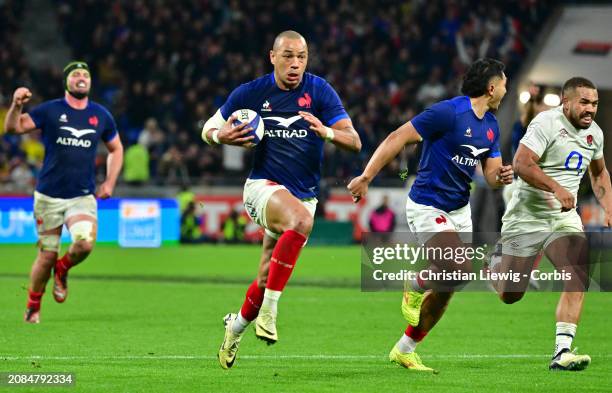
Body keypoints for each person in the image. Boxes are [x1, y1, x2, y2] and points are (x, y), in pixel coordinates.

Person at [202, 30, 361, 369]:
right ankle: (271, 312)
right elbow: (207, 129)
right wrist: (222, 136)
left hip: (303, 194)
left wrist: (327, 132)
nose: (295, 64)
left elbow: (355, 141)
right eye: (288, 55)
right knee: (302, 222)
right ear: (272, 56)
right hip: (262, 187)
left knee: (264, 277)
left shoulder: (319, 91)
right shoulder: (252, 92)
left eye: (301, 57)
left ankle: (235, 328)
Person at [348, 58, 513, 371]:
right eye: (504, 82)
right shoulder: (448, 112)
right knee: (460, 268)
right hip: (428, 205)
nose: (507, 88)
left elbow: (490, 176)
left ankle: (405, 348)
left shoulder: (490, 125)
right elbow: (397, 136)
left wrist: (500, 176)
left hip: (460, 209)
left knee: (450, 285)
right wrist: (367, 177)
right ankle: (415, 283)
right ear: (492, 88)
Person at [492, 77, 607, 371]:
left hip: (564, 217)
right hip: (527, 214)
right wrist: (556, 188)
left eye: (594, 103)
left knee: (578, 274)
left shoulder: (595, 134)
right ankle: (494, 264)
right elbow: (521, 163)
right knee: (510, 294)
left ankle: (561, 352)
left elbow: (599, 173)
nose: (590, 109)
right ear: (566, 102)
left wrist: (609, 206)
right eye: (584, 102)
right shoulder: (546, 123)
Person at [3, 61, 123, 323]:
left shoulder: (101, 114)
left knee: (84, 243)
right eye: (75, 74)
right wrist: (16, 104)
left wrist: (110, 182)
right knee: (45, 256)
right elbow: (12, 128)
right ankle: (33, 305)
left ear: (90, 82)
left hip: (82, 196)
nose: (81, 77)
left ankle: (63, 268)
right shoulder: (50, 110)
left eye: (85, 74)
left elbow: (116, 149)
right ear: (67, 81)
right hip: (48, 197)